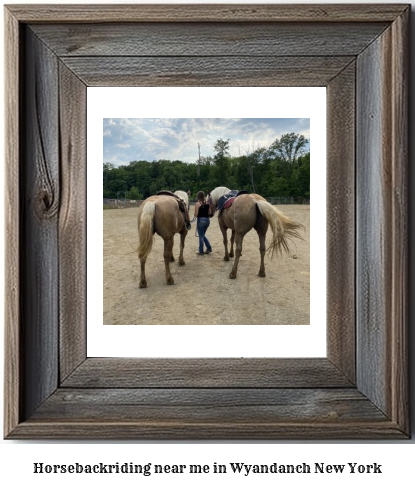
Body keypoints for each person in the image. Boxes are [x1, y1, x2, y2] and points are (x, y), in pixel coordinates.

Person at [194, 191, 212, 255]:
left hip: (201, 221)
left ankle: (201, 251)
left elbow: (196, 214)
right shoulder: (207, 203)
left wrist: (195, 214)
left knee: (201, 236)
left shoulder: (197, 204)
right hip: (207, 221)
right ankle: (209, 248)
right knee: (202, 235)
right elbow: (209, 213)